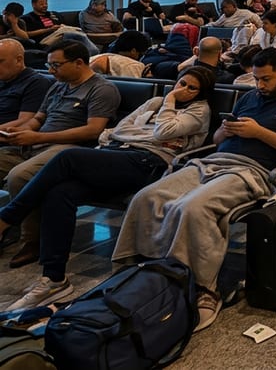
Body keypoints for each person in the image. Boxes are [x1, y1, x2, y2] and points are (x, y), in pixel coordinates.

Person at [112, 48, 276, 332]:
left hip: (254, 171)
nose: (260, 86)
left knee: (193, 208)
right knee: (147, 197)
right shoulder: (248, 97)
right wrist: (226, 130)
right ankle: (141, 270)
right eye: (257, 79)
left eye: (266, 80)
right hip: (212, 161)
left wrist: (259, 132)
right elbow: (218, 139)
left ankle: (203, 288)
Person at [0, 67, 216, 311]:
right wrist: (146, 131)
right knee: (59, 193)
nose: (183, 90)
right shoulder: (154, 101)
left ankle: (7, 217)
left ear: (202, 93)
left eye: (192, 88)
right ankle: (54, 279)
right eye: (182, 83)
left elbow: (163, 132)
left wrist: (169, 102)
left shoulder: (199, 111)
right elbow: (122, 128)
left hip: (150, 163)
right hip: (119, 155)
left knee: (68, 157)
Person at [0, 41, 120, 269]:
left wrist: (38, 138)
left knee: (20, 176)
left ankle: (31, 241)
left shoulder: (102, 89)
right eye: (49, 65)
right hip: (38, 143)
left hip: (71, 148)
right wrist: (21, 131)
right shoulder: (57, 85)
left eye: (56, 65)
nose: (51, 70)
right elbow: (39, 118)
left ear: (79, 63)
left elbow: (93, 130)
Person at [0, 40, 52, 134]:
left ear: (19, 60)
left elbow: (26, 121)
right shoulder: (3, 79)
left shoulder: (36, 83)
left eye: (0, 61)